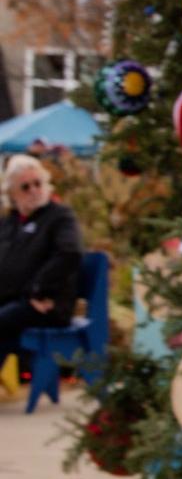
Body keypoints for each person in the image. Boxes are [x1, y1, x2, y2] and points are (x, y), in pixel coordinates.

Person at [0, 154, 82, 375]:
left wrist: (38, 290)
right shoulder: (9, 223)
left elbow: (69, 253)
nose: (34, 190)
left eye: (38, 183)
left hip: (47, 303)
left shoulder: (60, 217)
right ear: (12, 193)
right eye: (25, 187)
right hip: (14, 301)